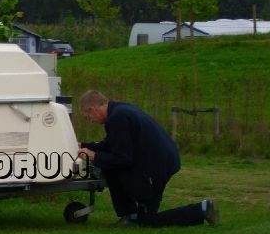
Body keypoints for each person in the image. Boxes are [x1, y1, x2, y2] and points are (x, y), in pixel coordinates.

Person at [77, 90, 218, 227]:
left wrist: (94, 156)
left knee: (147, 220)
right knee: (143, 215)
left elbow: (123, 158)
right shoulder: (120, 110)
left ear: (93, 109)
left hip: (156, 166)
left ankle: (201, 209)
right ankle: (130, 215)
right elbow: (110, 145)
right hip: (162, 159)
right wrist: (82, 145)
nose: (91, 121)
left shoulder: (117, 118)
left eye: (88, 117)